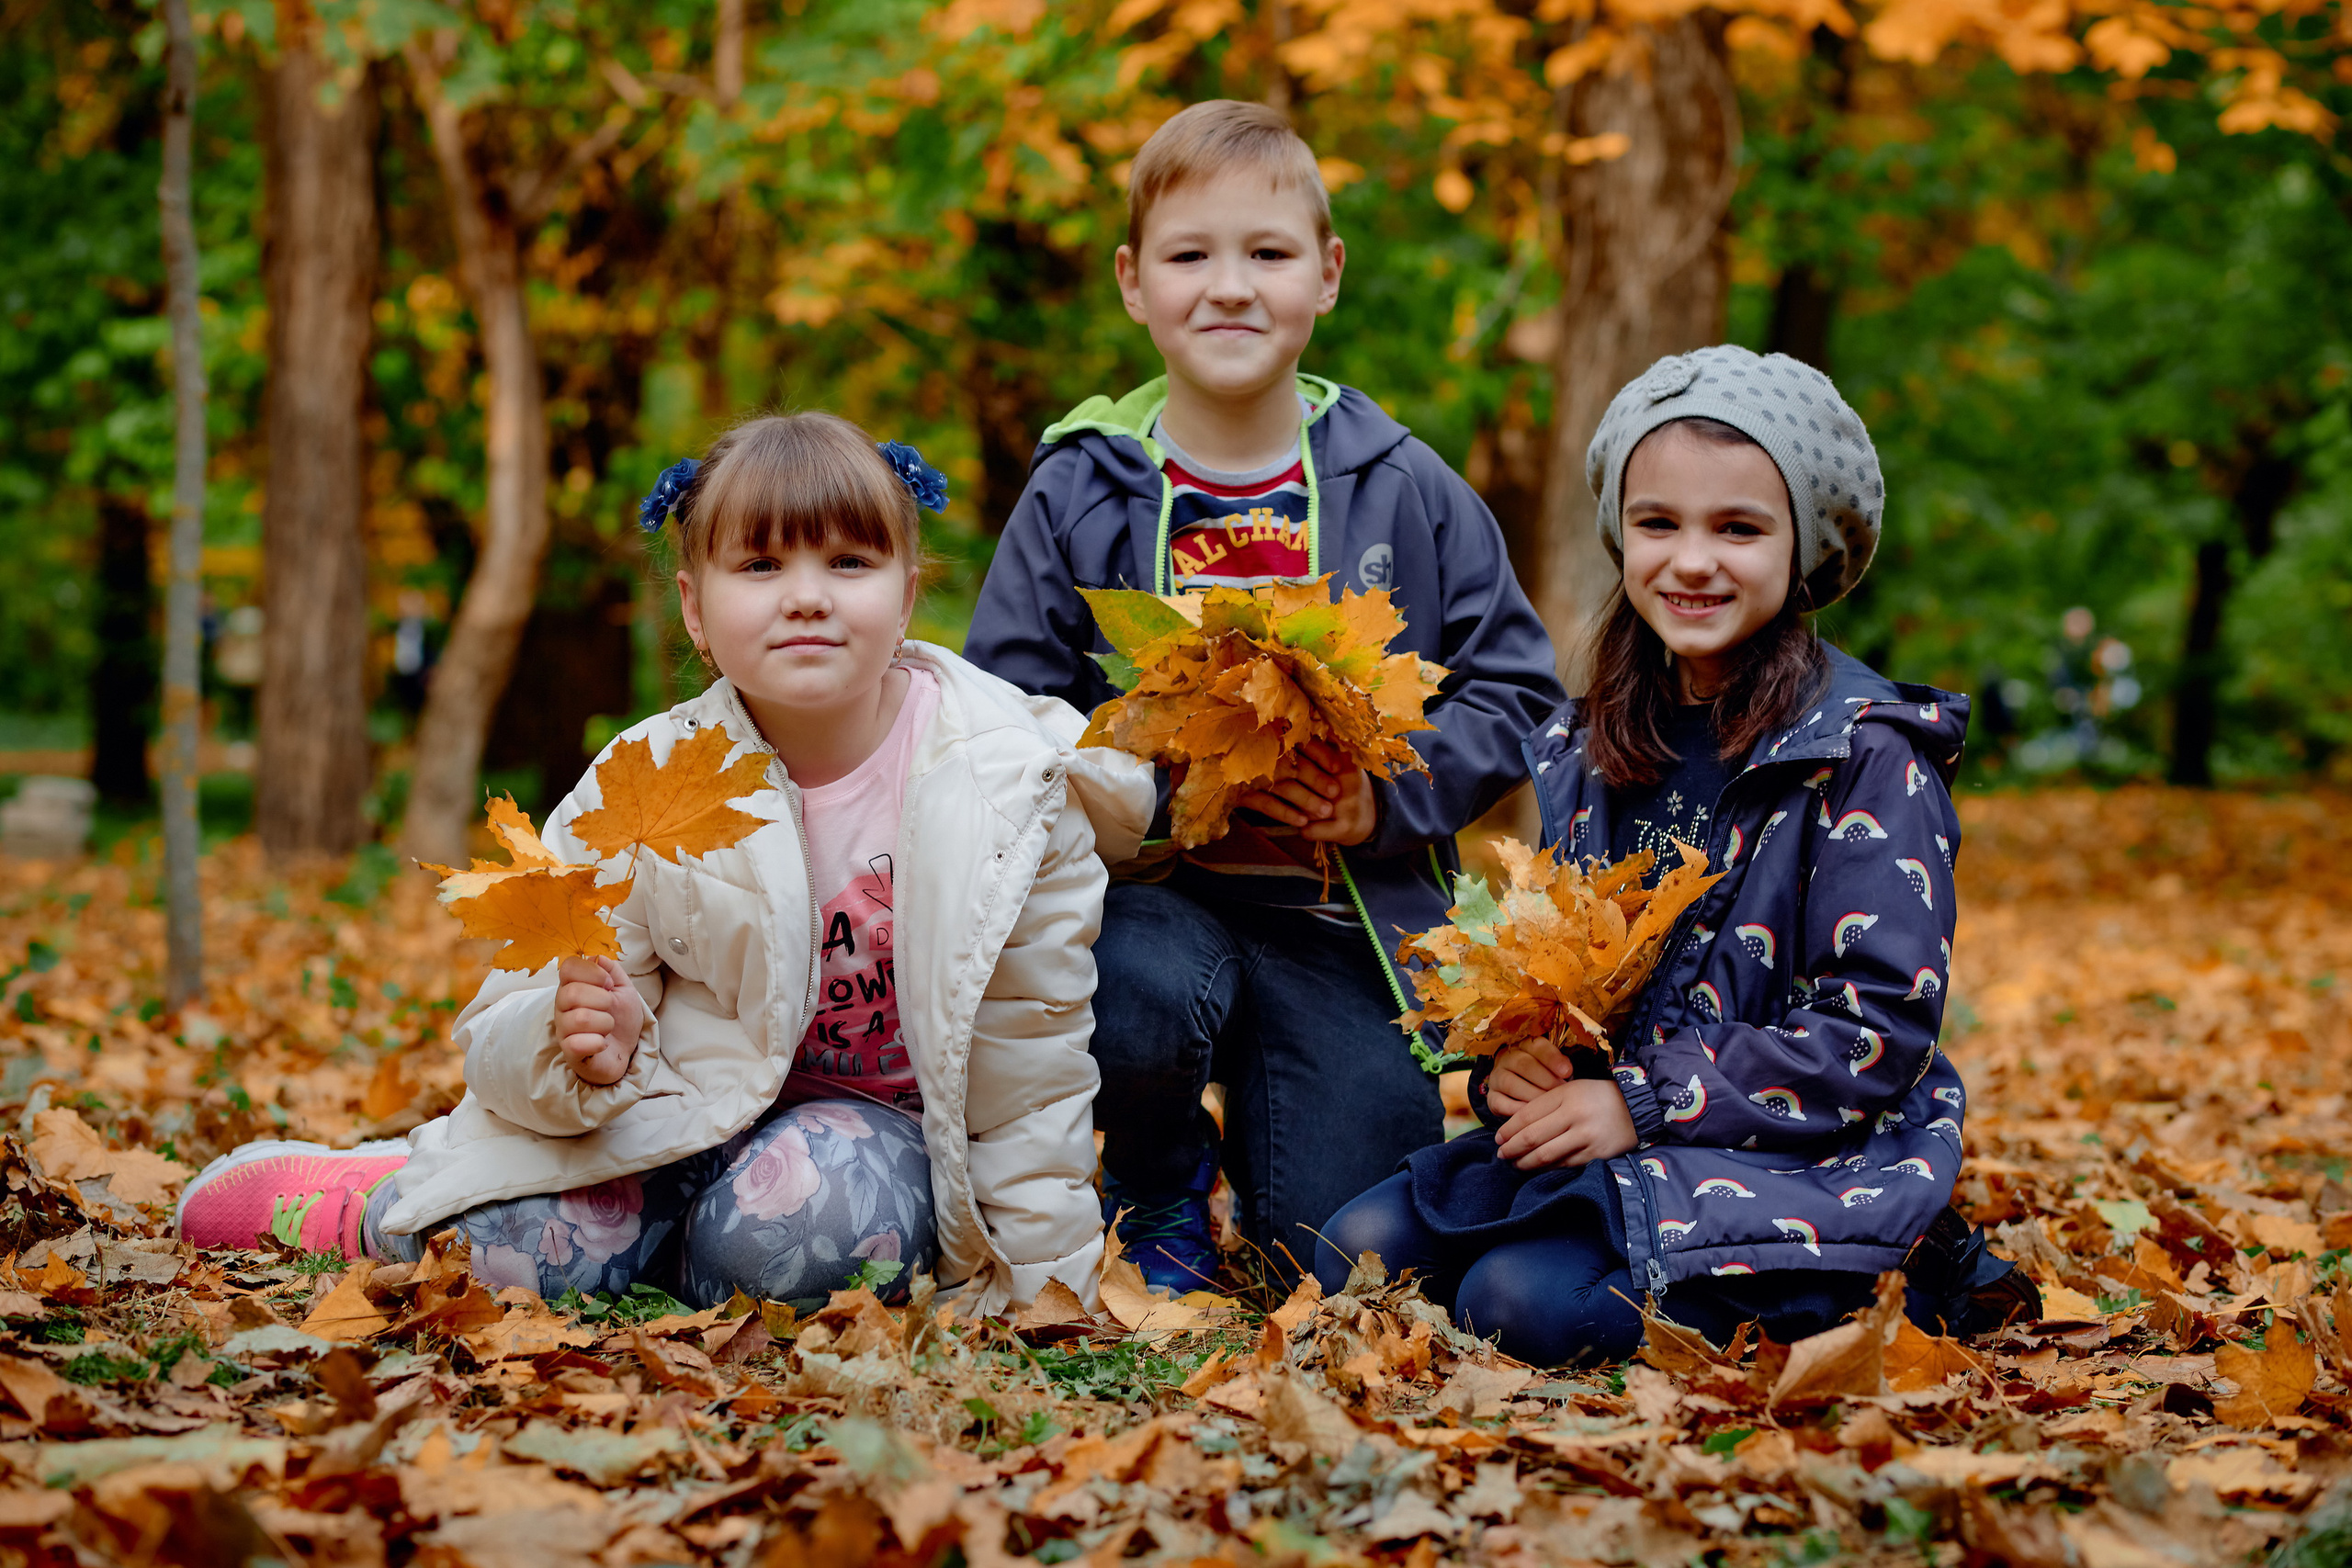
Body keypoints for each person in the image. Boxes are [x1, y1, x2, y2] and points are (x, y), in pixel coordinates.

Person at [176, 413, 1155, 1315]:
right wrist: (575, 1046)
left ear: (906, 593)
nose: (807, 597)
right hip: (670, 1117)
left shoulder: (1009, 791)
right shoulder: (647, 785)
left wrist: (1043, 1293)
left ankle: (671, 1257)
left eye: (849, 562)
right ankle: (373, 1204)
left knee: (795, 1240)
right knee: (509, 1261)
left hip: (868, 1143)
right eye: (762, 566)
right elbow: (502, 1024)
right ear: (695, 608)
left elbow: (1032, 1066)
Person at [1314, 346, 2038, 1363]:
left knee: (1518, 1306)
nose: (1690, 562)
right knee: (1355, 1250)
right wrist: (1517, 1068)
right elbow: (1569, 975)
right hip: (1624, 1135)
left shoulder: (1864, 753)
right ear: (1621, 533)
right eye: (1658, 523)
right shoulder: (1593, 741)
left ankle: (1898, 1268)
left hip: (1801, 1150)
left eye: (1737, 529)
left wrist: (1641, 1100)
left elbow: (1875, 1030)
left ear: (1803, 547)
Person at [964, 100, 1566, 1291]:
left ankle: (1291, 1146)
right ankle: (1156, 1174)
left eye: (1269, 253)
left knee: (1351, 1260)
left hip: (1338, 928)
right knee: (1136, 983)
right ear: (1135, 283)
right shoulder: (1082, 488)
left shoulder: (1406, 488)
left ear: (1326, 276)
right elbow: (1001, 714)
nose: (1229, 286)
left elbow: (1519, 690)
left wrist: (1390, 794)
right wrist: (1140, 777)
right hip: (1146, 906)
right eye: (1191, 255)